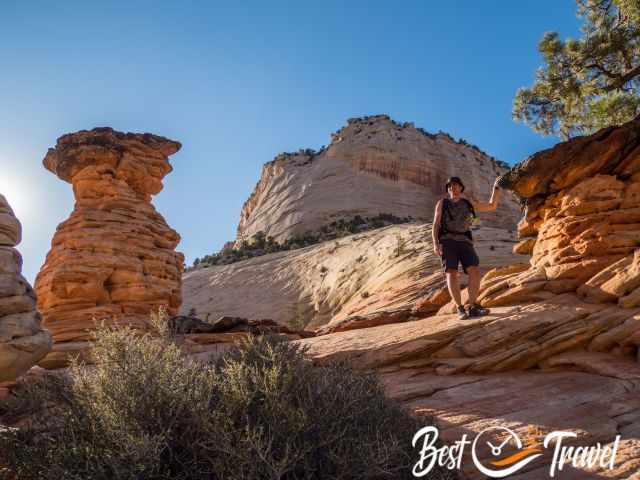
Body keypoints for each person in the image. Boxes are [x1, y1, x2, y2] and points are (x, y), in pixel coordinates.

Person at [431, 176, 501, 319]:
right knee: (451, 272)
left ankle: (474, 306)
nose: (452, 188)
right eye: (450, 186)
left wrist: (497, 188)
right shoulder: (442, 203)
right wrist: (435, 243)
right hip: (447, 240)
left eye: (455, 185)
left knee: (474, 271)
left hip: (465, 241)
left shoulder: (468, 203)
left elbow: (492, 205)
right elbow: (436, 224)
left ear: (461, 187)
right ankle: (459, 308)